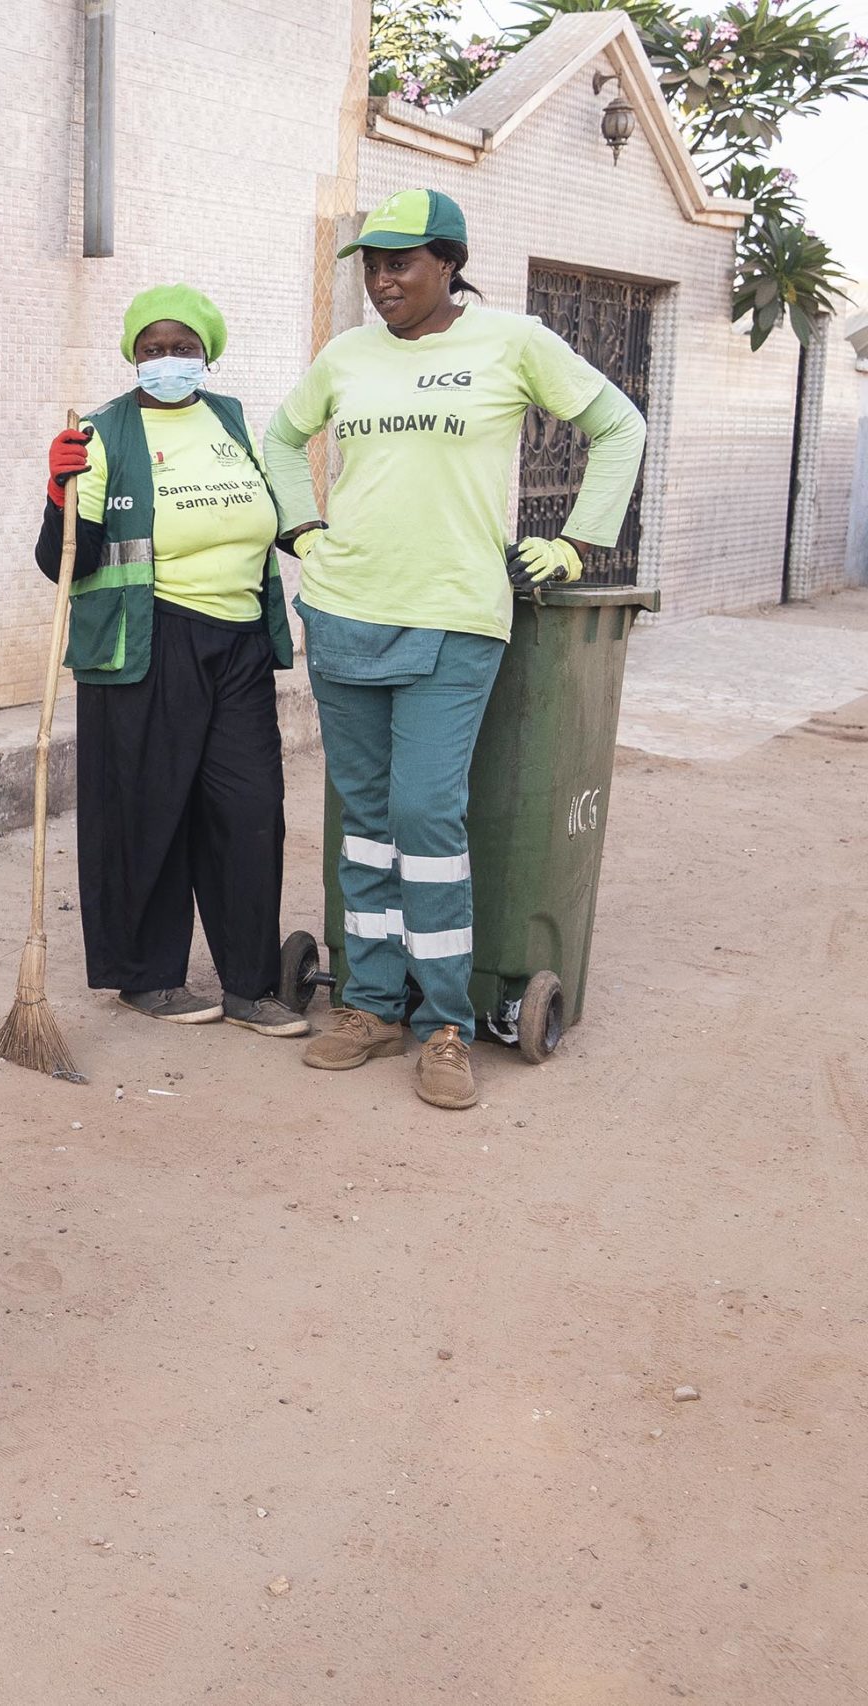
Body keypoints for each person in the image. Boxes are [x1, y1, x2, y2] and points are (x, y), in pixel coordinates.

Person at [259, 188, 645, 1109]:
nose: (382, 280)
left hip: (455, 615)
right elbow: (279, 440)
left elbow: (618, 425)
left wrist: (579, 540)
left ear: (449, 265)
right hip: (347, 610)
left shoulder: (511, 342)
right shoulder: (345, 356)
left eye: (402, 263)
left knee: (427, 818)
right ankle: (370, 1005)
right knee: (363, 821)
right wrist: (304, 531)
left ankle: (443, 1024)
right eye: (371, 264)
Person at [37, 284, 308, 1038]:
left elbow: (271, 514)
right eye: (151, 349)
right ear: (133, 356)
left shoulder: (230, 419)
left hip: (241, 641)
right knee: (149, 808)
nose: (166, 360)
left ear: (206, 354)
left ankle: (251, 984)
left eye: (181, 347)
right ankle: (148, 975)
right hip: (148, 639)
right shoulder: (101, 434)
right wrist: (62, 491)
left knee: (249, 809)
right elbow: (64, 562)